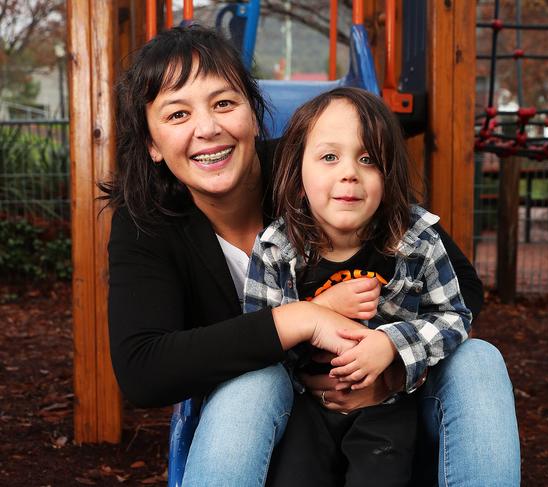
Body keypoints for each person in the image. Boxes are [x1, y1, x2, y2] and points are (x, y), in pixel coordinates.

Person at [103, 24, 520, 487]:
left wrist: (395, 365)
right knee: (255, 378)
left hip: (388, 414)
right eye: (178, 115)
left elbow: (459, 283)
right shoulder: (148, 221)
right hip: (264, 424)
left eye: (224, 103)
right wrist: (305, 319)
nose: (208, 128)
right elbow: (142, 369)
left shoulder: (318, 170)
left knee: (479, 359)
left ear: (253, 113)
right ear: (151, 144)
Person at [243, 87, 473, 486]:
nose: (349, 171)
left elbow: (454, 316)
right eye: (329, 157)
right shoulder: (276, 249)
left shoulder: (417, 241)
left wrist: (392, 345)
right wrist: (318, 311)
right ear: (299, 177)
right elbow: (257, 340)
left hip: (387, 408)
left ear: (388, 178)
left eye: (367, 159)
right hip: (305, 409)